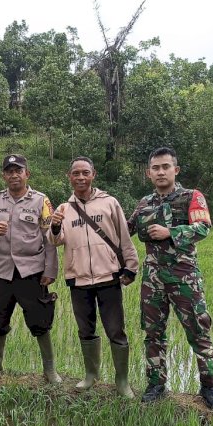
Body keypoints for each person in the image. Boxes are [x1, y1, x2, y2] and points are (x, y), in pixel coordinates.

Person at [127, 147, 213, 410]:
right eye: (156, 168)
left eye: (165, 167)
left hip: (185, 277)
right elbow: (126, 230)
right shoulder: (144, 203)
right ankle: (156, 384)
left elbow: (203, 228)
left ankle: (209, 387)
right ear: (149, 173)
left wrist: (170, 232)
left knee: (198, 331)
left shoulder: (192, 197)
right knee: (153, 334)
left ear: (175, 170)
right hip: (153, 279)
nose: (160, 172)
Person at [48, 156, 139, 395]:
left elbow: (124, 238)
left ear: (93, 175)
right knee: (85, 329)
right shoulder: (63, 209)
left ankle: (122, 381)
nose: (80, 177)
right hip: (78, 278)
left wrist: (131, 266)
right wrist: (55, 227)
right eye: (75, 173)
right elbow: (56, 241)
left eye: (85, 173)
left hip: (107, 276)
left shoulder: (109, 203)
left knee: (115, 329)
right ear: (69, 177)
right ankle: (91, 374)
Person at [0, 154, 61, 383]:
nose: (14, 175)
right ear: (4, 175)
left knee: (40, 318)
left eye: (18, 170)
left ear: (27, 174)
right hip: (3, 270)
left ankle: (50, 370)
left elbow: (49, 237)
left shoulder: (40, 201)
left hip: (31, 270)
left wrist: (50, 270)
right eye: (9, 171)